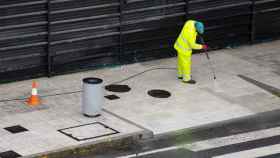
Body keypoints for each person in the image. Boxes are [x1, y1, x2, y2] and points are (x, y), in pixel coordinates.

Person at [174, 20, 208, 84]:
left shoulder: (190, 22)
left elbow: (195, 24)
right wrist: (202, 46)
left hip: (179, 45)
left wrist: (196, 32)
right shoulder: (190, 34)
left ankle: (180, 75)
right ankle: (186, 79)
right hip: (184, 49)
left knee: (181, 62)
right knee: (186, 64)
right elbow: (193, 45)